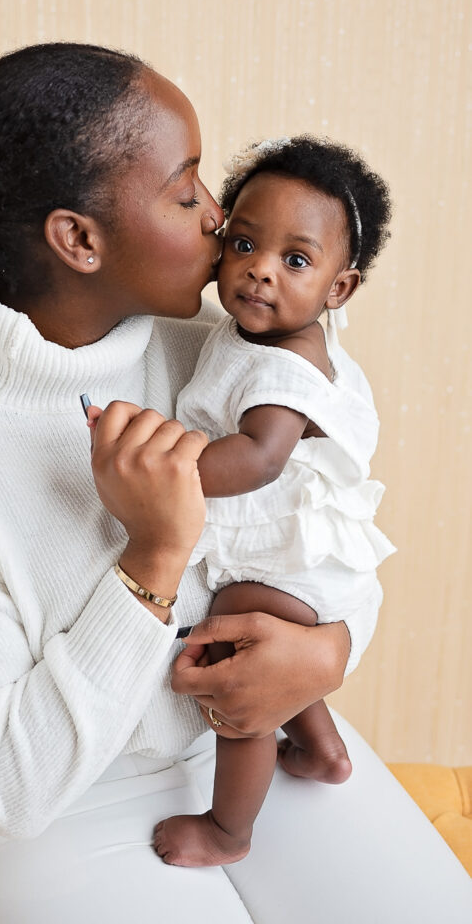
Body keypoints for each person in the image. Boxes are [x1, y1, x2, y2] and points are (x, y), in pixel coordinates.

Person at [0, 44, 472, 923]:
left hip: (242, 747)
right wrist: (154, 560)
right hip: (50, 810)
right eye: (187, 190)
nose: (221, 220)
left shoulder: (220, 345)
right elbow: (5, 781)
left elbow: (332, 522)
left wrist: (334, 649)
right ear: (79, 238)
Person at [145, 137, 396, 868]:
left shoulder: (287, 368)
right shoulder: (259, 332)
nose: (259, 268)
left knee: (240, 673)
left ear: (338, 289)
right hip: (299, 560)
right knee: (277, 664)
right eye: (245, 242)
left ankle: (229, 831)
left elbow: (258, 459)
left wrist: (169, 466)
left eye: (295, 259)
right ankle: (322, 750)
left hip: (289, 565)